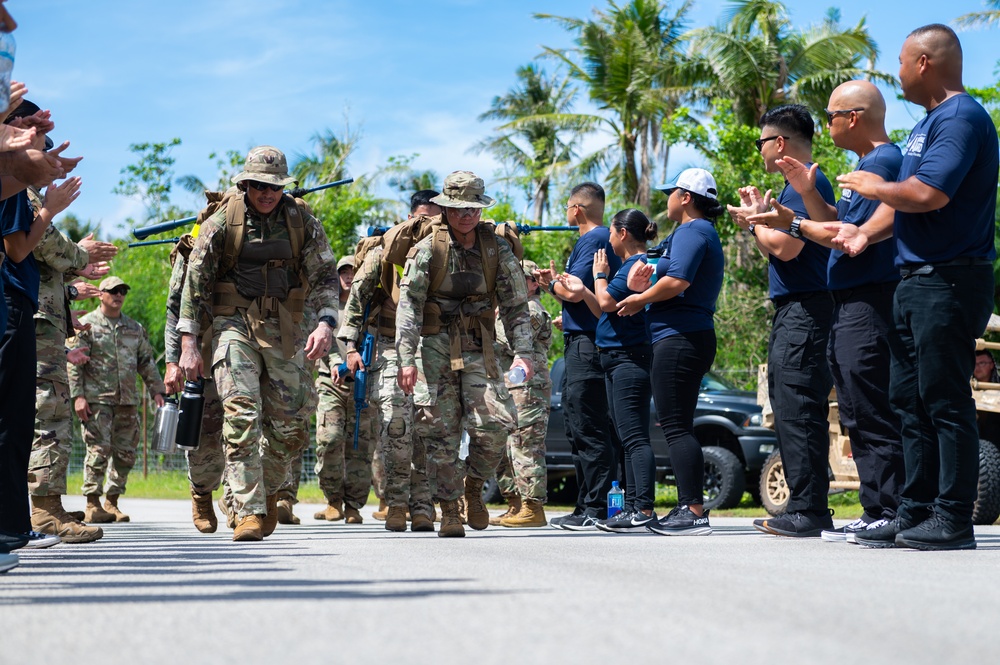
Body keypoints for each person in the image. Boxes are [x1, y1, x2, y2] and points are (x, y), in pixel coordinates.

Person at [833, 25, 998, 550]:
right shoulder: (928, 123)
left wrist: (873, 185)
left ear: (924, 62)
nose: (897, 72)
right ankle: (916, 508)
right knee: (908, 398)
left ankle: (953, 517)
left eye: (902, 62)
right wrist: (864, 230)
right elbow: (903, 206)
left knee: (944, 399)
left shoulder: (962, 118)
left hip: (949, 277)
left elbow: (927, 194)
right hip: (914, 278)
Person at [746, 80, 905, 543]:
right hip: (837, 302)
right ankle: (873, 507)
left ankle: (842, 507)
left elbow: (793, 248)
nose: (829, 122)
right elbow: (838, 224)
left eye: (834, 114)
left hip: (846, 302)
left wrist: (773, 221)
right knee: (851, 408)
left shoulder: (885, 162)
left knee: (833, 405)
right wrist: (794, 206)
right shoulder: (854, 169)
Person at [177, 145, 339, 542]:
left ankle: (265, 493)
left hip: (286, 327)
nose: (266, 193)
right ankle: (247, 510)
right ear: (245, 184)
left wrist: (326, 323)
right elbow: (194, 283)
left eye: (274, 187)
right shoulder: (223, 222)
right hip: (232, 324)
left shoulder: (303, 221)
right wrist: (188, 343)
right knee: (241, 414)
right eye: (259, 186)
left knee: (292, 426)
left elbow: (324, 275)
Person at [396, 170, 533, 537]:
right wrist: (406, 359)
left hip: (479, 344)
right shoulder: (428, 249)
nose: (466, 215)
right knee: (439, 433)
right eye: (458, 209)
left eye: (472, 208)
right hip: (434, 346)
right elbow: (409, 306)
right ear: (445, 209)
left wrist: (524, 354)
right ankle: (450, 508)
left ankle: (473, 488)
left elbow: (517, 305)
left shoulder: (495, 249)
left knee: (494, 426)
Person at [727, 104, 837, 538]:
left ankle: (809, 509)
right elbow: (776, 248)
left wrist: (753, 223)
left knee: (798, 406)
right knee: (790, 403)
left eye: (761, 142)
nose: (759, 151)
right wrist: (757, 220)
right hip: (797, 308)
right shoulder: (794, 190)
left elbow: (787, 249)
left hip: (807, 309)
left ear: (779, 143)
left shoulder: (803, 186)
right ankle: (805, 506)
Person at [618, 169, 725, 536]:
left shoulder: (694, 231)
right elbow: (667, 276)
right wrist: (643, 282)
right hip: (680, 336)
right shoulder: (690, 232)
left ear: (686, 197)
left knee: (676, 425)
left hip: (681, 337)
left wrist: (638, 299)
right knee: (678, 424)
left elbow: (678, 281)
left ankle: (692, 510)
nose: (667, 198)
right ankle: (688, 507)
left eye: (672, 191)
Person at [0, 103, 78, 551]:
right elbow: (18, 251)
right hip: (12, 304)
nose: (46, 155)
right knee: (11, 421)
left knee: (17, 420)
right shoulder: (13, 191)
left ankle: (11, 525)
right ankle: (10, 526)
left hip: (18, 303)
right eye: (37, 139)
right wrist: (48, 209)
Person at [339, 190, 440, 533]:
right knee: (395, 427)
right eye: (422, 217)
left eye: (434, 218)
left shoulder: (446, 251)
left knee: (427, 429)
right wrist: (350, 348)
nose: (428, 225)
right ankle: (396, 504)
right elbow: (357, 299)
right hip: (388, 347)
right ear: (410, 217)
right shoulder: (386, 251)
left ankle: (424, 507)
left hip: (432, 348)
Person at [535, 182, 620, 531]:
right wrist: (557, 286)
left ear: (577, 210)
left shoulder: (593, 239)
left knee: (588, 424)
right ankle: (586, 503)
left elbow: (574, 290)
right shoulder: (597, 239)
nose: (566, 213)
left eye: (568, 207)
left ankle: (596, 507)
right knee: (577, 424)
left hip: (588, 344)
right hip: (582, 337)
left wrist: (552, 283)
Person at [29, 210, 116, 543]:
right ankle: (45, 510)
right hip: (35, 321)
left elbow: (37, 271)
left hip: (42, 320)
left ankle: (45, 506)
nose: (53, 162)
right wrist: (80, 255)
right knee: (48, 413)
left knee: (44, 412)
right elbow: (41, 247)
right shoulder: (22, 192)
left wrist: (67, 301)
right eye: (47, 153)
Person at [69, 276, 166, 523]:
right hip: (97, 401)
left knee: (125, 453)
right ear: (100, 294)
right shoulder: (86, 325)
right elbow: (74, 365)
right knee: (99, 451)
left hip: (127, 401)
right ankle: (92, 503)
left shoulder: (134, 328)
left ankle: (112, 502)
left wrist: (157, 390)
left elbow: (146, 362)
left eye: (123, 290)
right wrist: (78, 396)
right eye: (113, 290)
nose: (119, 294)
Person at [164, 219, 227, 534]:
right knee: (205, 434)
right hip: (200, 355)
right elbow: (174, 308)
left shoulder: (254, 242)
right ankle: (202, 495)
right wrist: (172, 361)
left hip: (245, 350)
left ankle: (238, 497)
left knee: (247, 428)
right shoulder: (192, 252)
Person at [310, 255, 378, 525]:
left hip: (364, 386)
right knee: (330, 439)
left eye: (354, 271)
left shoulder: (370, 308)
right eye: (344, 272)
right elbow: (321, 344)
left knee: (360, 447)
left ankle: (353, 506)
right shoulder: (327, 310)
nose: (349, 276)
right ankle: (332, 501)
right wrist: (337, 363)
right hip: (331, 382)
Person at [492, 259, 553, 528]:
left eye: (518, 278)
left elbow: (513, 340)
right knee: (507, 449)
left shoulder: (531, 310)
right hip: (510, 388)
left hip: (529, 390)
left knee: (526, 447)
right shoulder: (511, 310)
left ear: (532, 283)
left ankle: (533, 507)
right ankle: (515, 504)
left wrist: (491, 320)